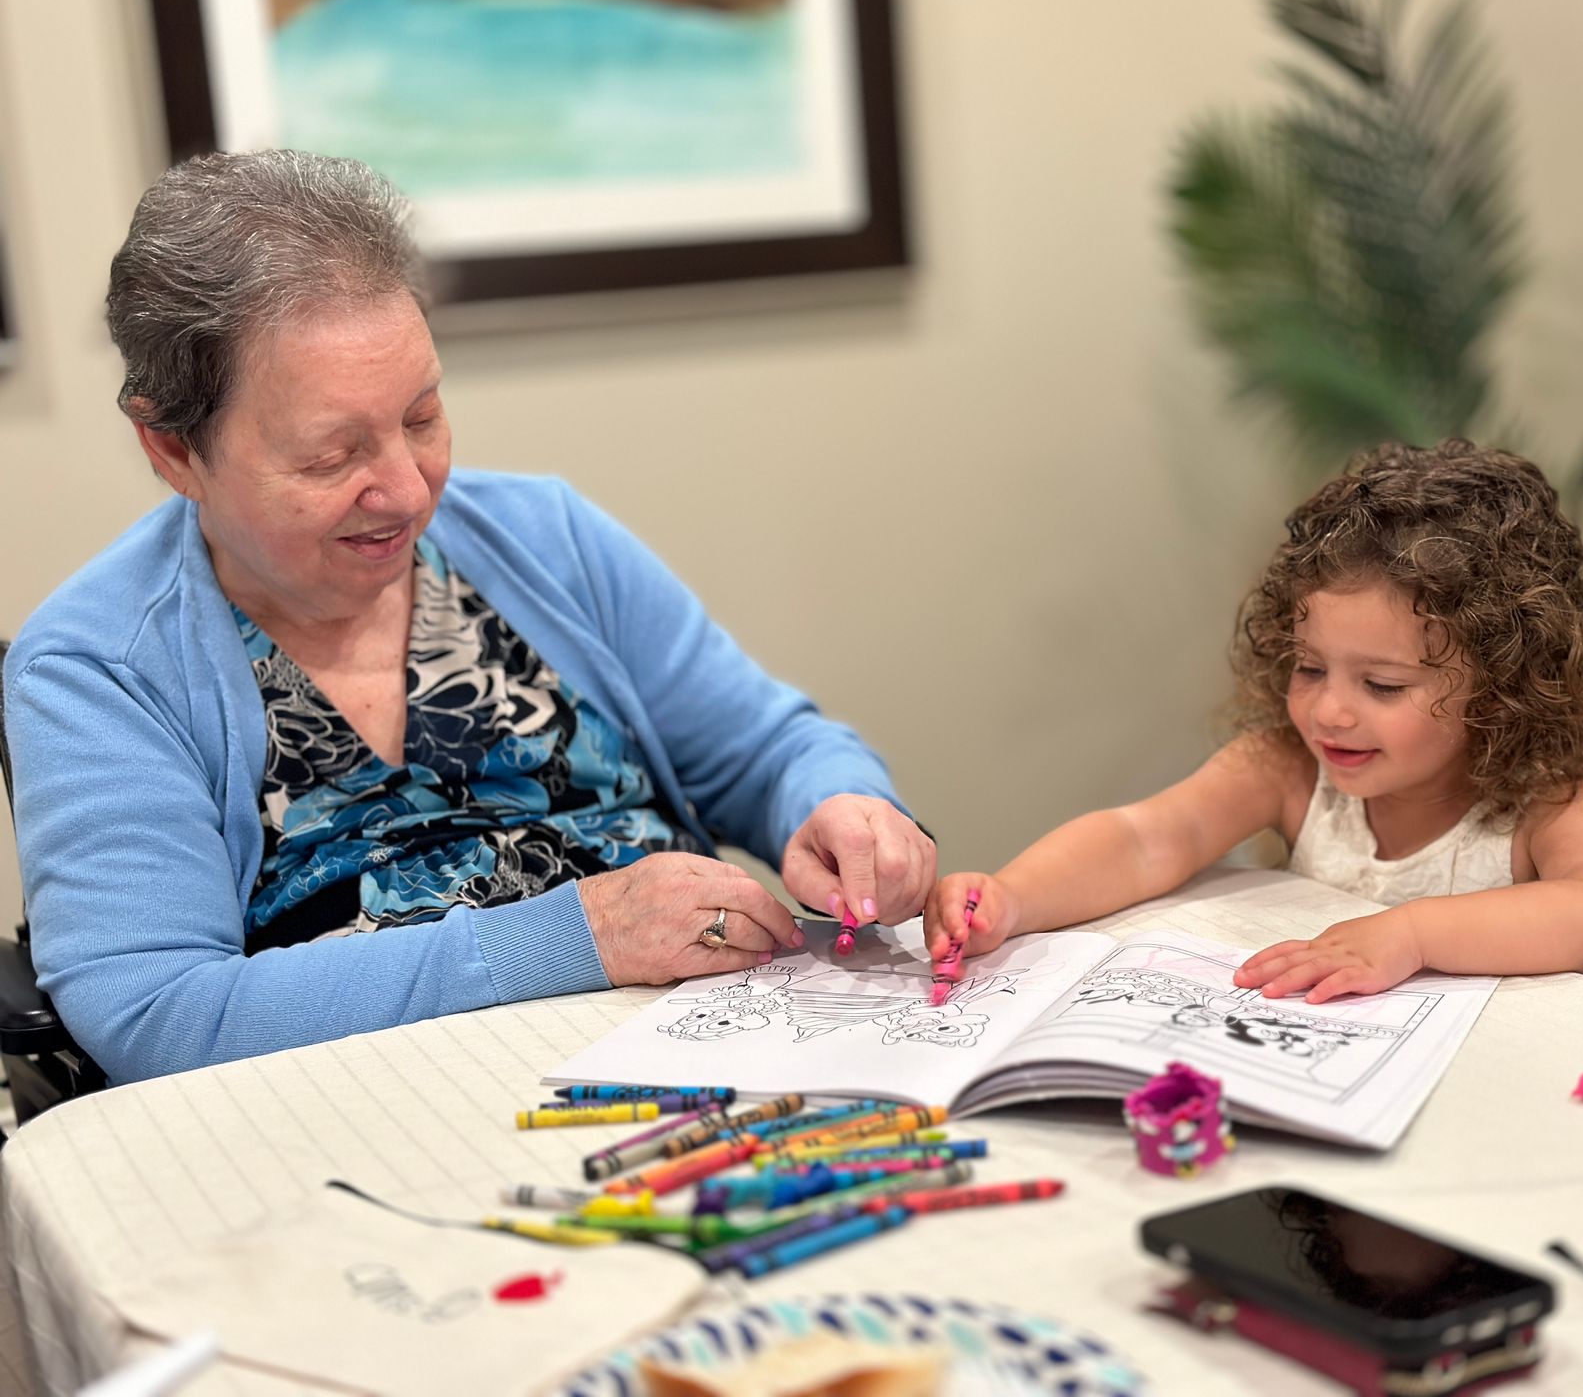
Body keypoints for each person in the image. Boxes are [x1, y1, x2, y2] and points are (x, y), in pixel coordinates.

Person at [3, 150, 935, 1085]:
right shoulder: (99, 667)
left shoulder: (548, 538)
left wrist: (839, 807)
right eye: (333, 457)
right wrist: (574, 937)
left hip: (721, 1054)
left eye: (421, 416)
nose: (408, 492)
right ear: (171, 448)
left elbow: (765, 751)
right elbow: (161, 1011)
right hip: (390, 1108)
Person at [927, 440, 1583, 1001]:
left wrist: (1412, 934)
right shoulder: (1286, 767)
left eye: (1382, 684)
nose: (1329, 710)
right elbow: (1147, 839)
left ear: (1502, 688)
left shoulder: (1552, 799)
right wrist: (1014, 898)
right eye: (1309, 668)